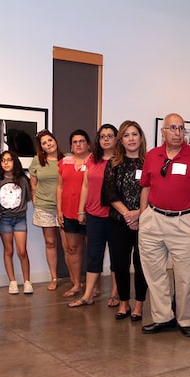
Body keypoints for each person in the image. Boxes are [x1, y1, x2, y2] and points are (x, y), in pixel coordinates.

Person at [138, 113, 190, 338]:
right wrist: (143, 216)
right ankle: (162, 318)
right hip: (153, 220)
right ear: (163, 132)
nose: (177, 133)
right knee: (154, 273)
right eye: (173, 128)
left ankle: (184, 320)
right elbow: (145, 187)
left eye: (181, 129)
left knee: (185, 276)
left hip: (184, 221)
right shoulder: (152, 155)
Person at [68, 124, 119, 308]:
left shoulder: (120, 161)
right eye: (103, 136)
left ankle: (115, 293)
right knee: (93, 255)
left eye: (110, 136)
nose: (106, 139)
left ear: (116, 139)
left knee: (116, 256)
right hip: (94, 214)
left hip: (115, 216)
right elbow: (85, 186)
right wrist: (81, 210)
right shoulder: (92, 160)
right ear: (98, 139)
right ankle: (88, 295)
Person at [104, 120, 148, 321]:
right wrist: (128, 215)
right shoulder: (112, 164)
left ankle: (139, 304)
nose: (131, 139)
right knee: (120, 264)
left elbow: (153, 192)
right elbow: (109, 193)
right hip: (118, 222)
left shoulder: (149, 162)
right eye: (127, 135)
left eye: (135, 134)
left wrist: (138, 213)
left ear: (141, 138)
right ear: (121, 140)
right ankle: (124, 303)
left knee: (141, 265)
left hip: (145, 222)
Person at [57, 130, 91, 298]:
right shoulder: (64, 162)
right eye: (75, 141)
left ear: (88, 144)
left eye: (82, 141)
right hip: (68, 212)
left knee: (92, 250)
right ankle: (77, 284)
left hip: (89, 212)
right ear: (71, 145)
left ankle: (94, 286)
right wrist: (59, 210)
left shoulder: (94, 161)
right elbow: (60, 187)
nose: (78, 144)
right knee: (73, 249)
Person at [30, 130, 64, 291]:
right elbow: (33, 185)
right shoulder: (37, 161)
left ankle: (76, 280)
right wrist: (36, 201)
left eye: (50, 140)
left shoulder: (67, 159)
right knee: (50, 243)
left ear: (55, 140)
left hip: (64, 208)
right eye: (44, 143)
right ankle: (54, 278)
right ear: (41, 147)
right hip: (45, 207)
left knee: (68, 245)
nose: (48, 144)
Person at [0, 150, 33, 295]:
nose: (6, 163)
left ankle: (27, 281)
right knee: (8, 250)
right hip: (4, 218)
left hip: (19, 218)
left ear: (15, 162)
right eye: (3, 160)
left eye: (9, 160)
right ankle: (12, 281)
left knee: (22, 251)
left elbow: (28, 197)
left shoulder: (23, 180)